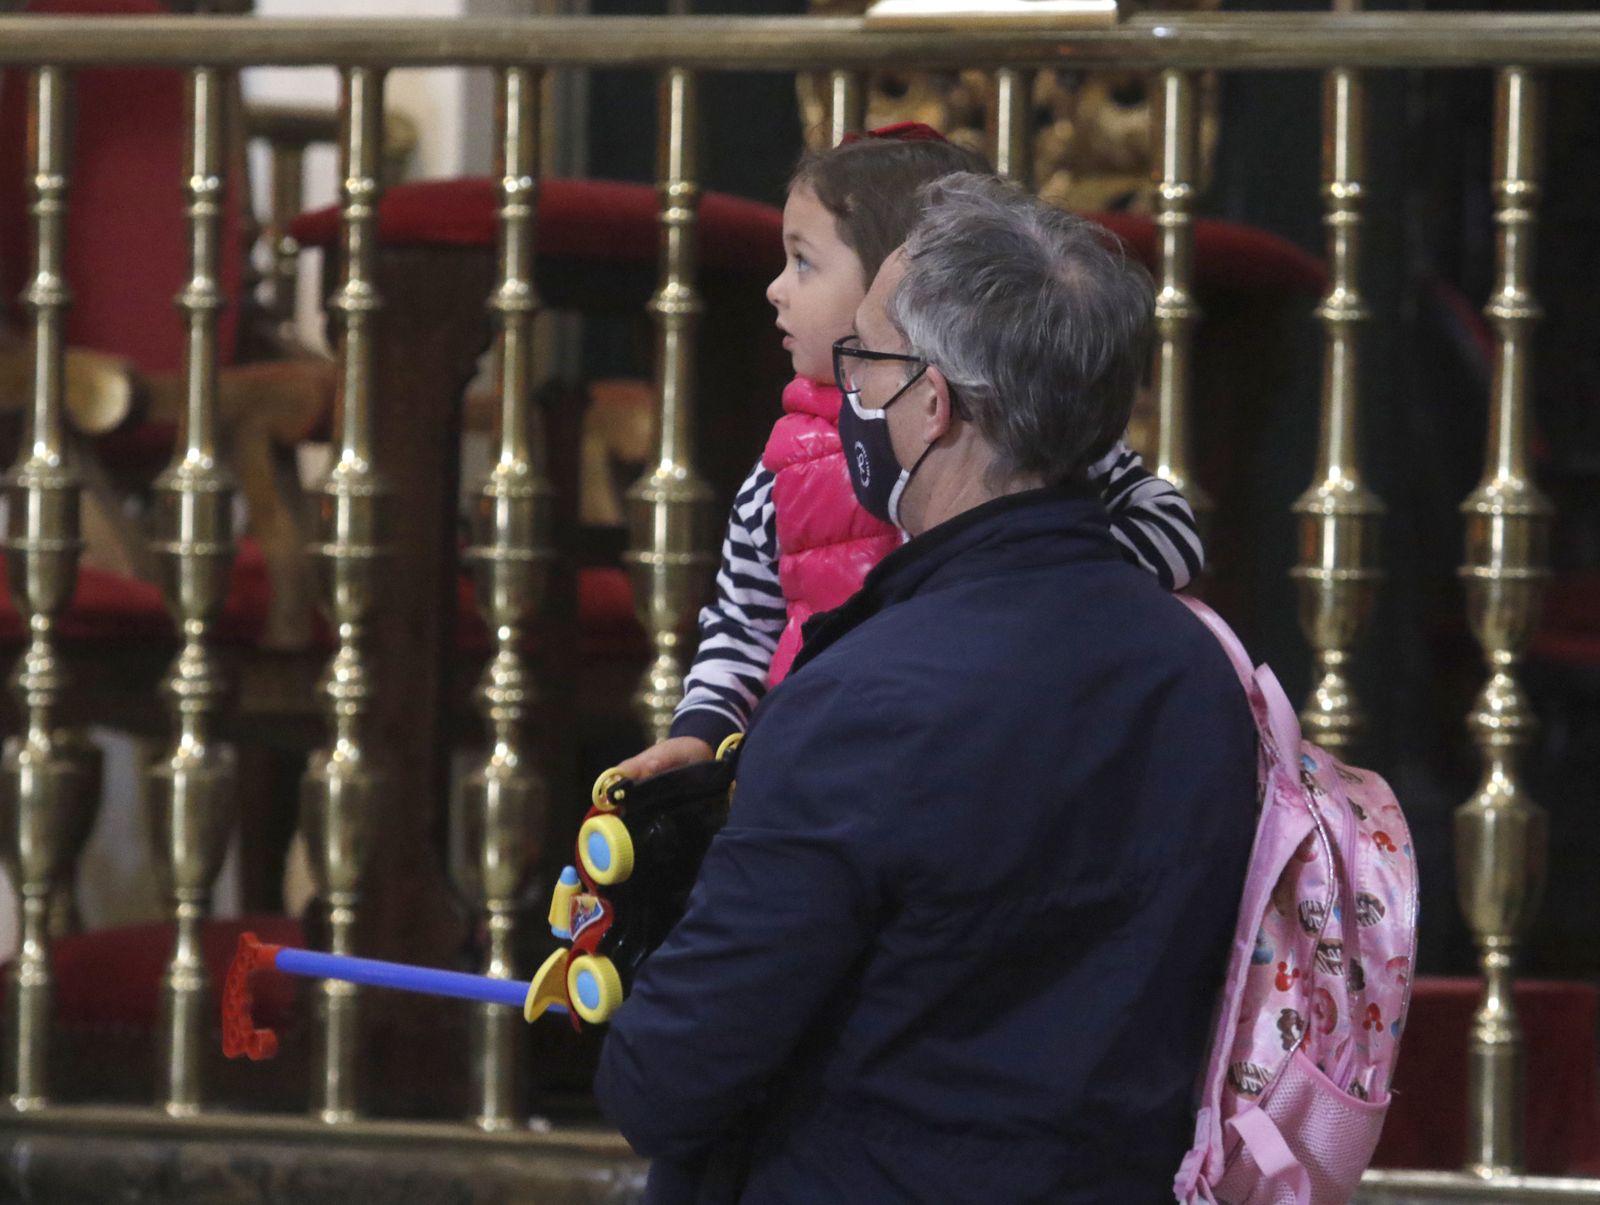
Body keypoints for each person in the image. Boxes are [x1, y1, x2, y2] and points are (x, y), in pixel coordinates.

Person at [594, 173, 1258, 1204]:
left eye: (864, 356)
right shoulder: (1202, 671)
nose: (848, 386)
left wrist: (651, 952)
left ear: (932, 405)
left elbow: (664, 1083)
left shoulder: (859, 700)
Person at [615, 125, 1203, 781]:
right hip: (827, 755)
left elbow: (1173, 533)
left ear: (907, 280)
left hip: (1001, 738)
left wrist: (1054, 578)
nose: (776, 288)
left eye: (804, 262)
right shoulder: (784, 468)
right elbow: (741, 628)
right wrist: (702, 733)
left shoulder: (1023, 428)